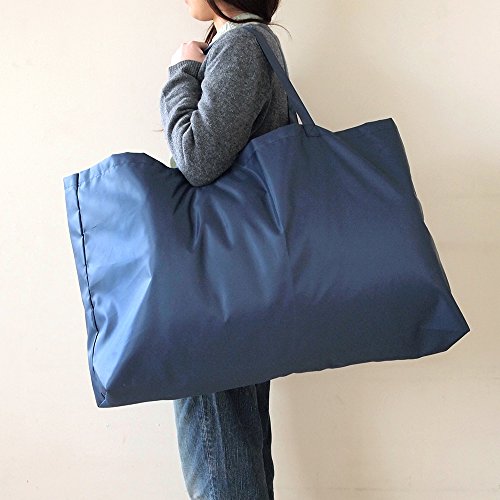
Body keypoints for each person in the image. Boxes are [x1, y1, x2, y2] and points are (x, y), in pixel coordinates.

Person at [159, 1, 291, 498]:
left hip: (219, 286)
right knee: (237, 451)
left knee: (220, 460)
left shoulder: (241, 47)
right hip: (241, 277)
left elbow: (196, 159)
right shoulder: (246, 44)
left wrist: (182, 73)